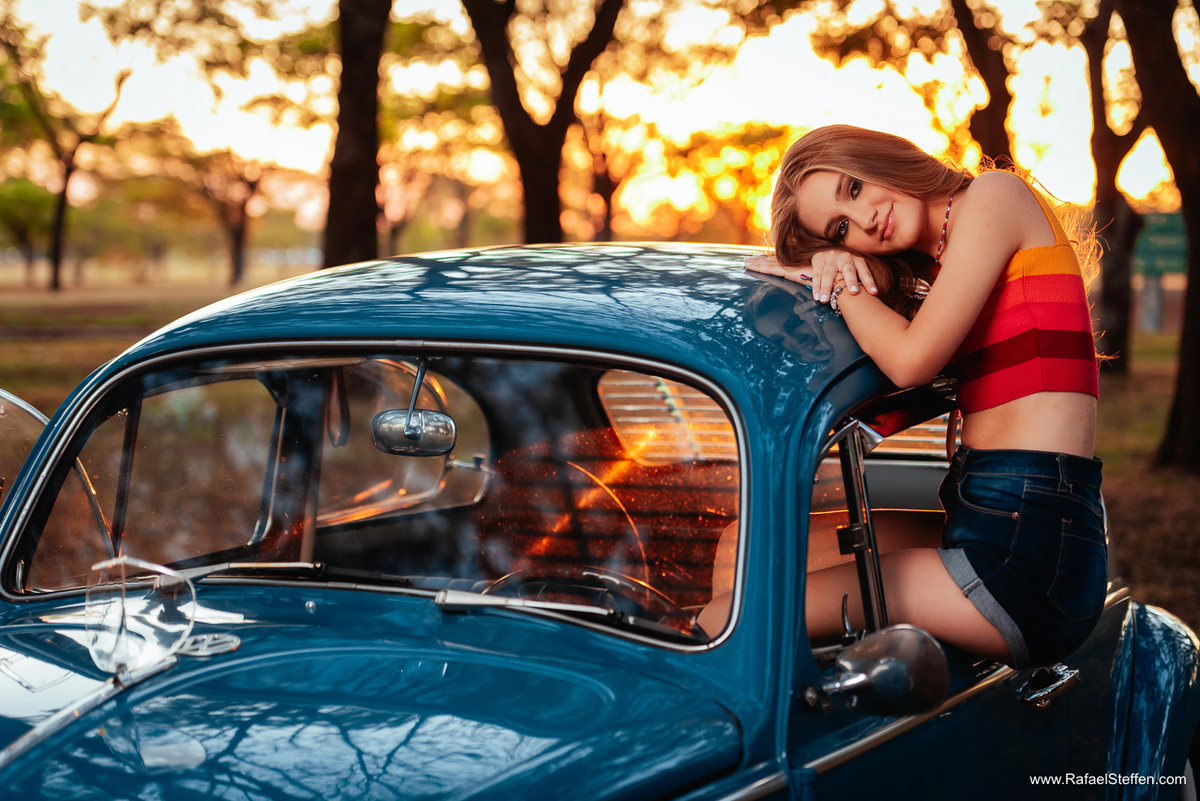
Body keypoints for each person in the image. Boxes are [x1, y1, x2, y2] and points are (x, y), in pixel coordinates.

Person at [745, 125, 1105, 669]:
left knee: (743, 615)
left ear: (880, 156)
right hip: (984, 516)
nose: (865, 219)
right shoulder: (939, 266)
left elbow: (912, 361)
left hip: (1029, 554)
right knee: (741, 556)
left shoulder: (993, 196)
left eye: (854, 188)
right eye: (842, 230)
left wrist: (841, 282)